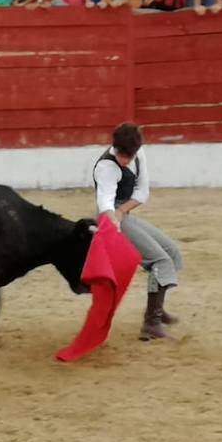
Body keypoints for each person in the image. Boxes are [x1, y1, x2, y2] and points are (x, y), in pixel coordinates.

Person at [92, 122, 182, 342]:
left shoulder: (138, 153)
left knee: (172, 253)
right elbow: (105, 202)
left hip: (123, 212)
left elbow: (143, 192)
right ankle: (151, 324)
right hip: (110, 218)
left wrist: (123, 210)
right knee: (161, 261)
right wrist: (114, 218)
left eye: (128, 156)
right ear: (115, 148)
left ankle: (156, 310)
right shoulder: (107, 167)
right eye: (122, 155)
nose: (125, 160)